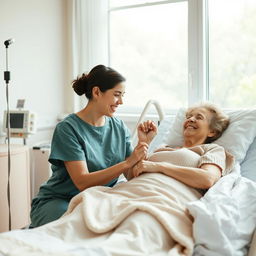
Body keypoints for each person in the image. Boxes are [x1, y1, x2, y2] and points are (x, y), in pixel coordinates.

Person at [30, 64, 148, 228]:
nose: (121, 101)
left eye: (122, 96)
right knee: (75, 229)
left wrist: (144, 143)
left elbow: (130, 175)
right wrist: (128, 162)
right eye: (116, 95)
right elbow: (82, 182)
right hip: (60, 200)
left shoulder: (119, 127)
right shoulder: (68, 128)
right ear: (97, 92)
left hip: (96, 200)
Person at [130, 102, 234, 190]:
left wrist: (160, 167)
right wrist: (144, 142)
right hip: (130, 191)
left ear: (212, 131)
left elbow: (207, 179)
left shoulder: (213, 150)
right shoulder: (163, 148)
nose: (191, 119)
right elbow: (131, 175)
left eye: (199, 117)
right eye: (189, 117)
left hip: (165, 198)